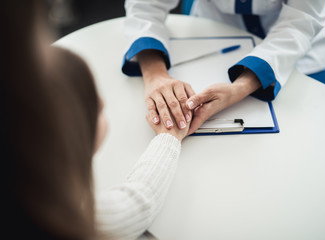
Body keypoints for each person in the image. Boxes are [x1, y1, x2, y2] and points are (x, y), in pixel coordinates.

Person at [1, 0, 189, 239]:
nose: (102, 102)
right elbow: (137, 203)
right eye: (96, 106)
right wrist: (169, 137)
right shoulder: (69, 216)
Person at [122, 0, 325, 134]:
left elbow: (301, 21)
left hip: (299, 53)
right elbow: (145, 7)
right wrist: (155, 74)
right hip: (212, 38)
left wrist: (241, 87)